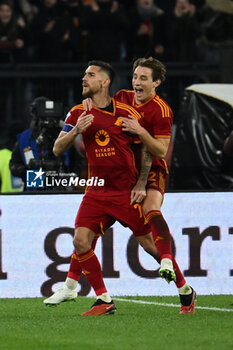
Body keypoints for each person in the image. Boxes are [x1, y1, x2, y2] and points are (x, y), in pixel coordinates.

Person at [44, 59, 196, 315]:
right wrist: (75, 132)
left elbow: (151, 150)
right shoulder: (77, 112)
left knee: (149, 246)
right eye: (84, 73)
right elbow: (57, 148)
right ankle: (103, 299)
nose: (84, 78)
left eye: (90, 74)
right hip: (96, 190)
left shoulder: (129, 113)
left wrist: (140, 182)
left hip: (124, 192)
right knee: (81, 241)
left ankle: (184, 289)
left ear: (104, 82)